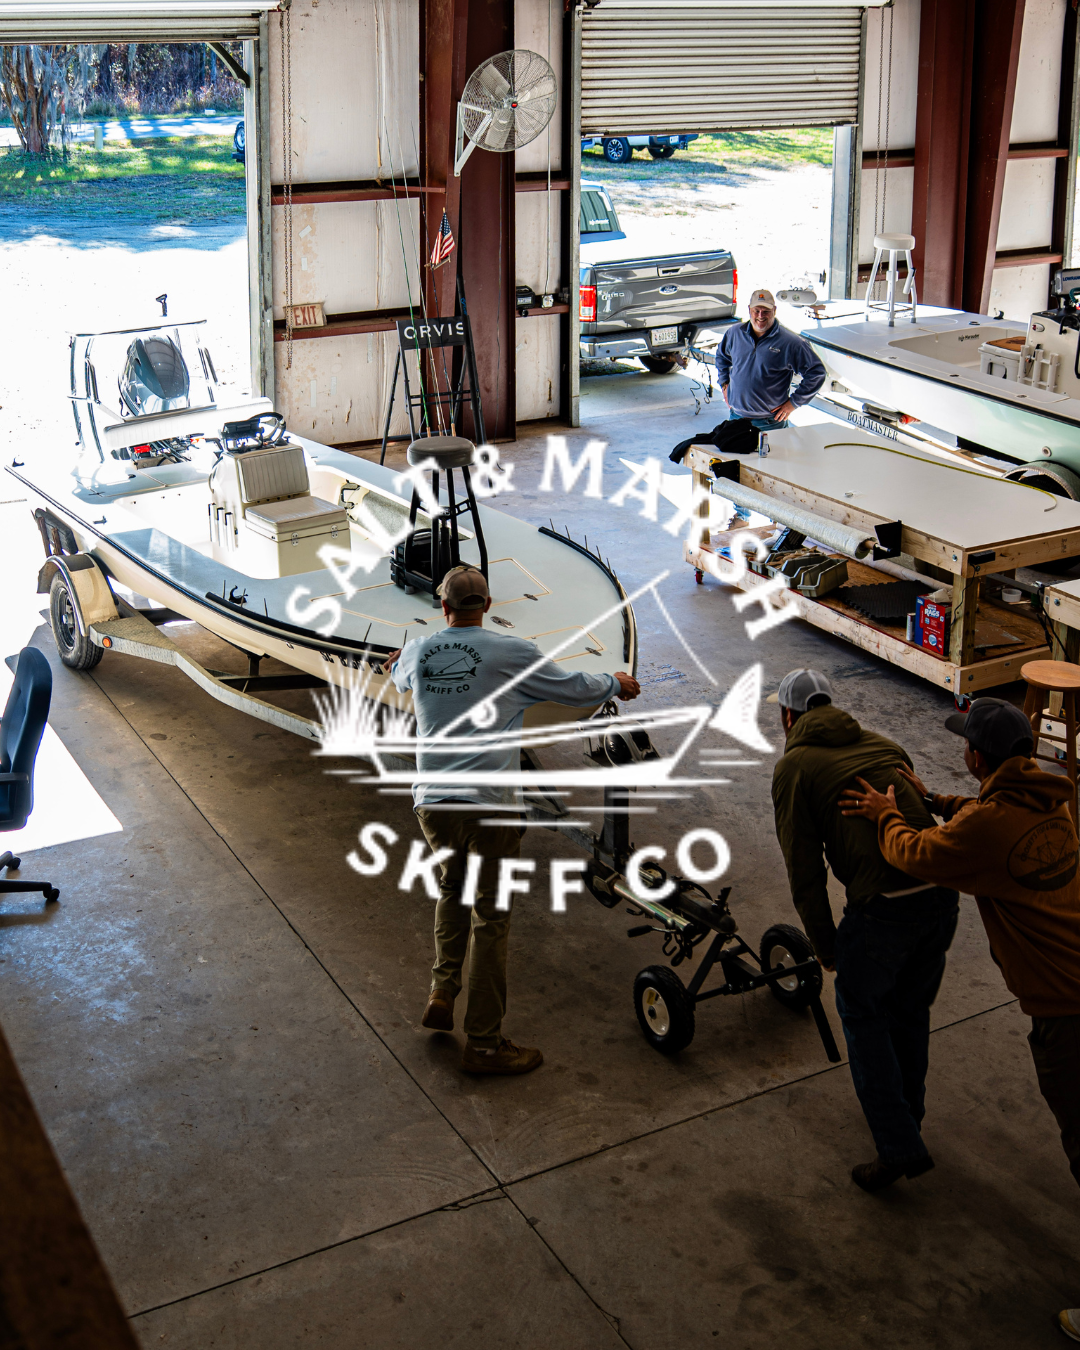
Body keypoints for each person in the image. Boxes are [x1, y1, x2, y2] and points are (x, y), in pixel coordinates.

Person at [838, 697, 1080, 1339]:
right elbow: (987, 818)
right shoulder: (1053, 800)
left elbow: (915, 854)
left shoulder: (988, 827)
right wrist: (937, 799)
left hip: (1067, 1010)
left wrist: (889, 813)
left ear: (976, 756)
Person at [388, 564, 640, 1076]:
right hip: (489, 805)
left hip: (432, 802)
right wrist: (613, 683)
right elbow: (573, 687)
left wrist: (399, 662)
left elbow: (396, 672)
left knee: (452, 888)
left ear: (443, 607)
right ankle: (483, 1045)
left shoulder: (418, 650)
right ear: (487, 605)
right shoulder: (513, 653)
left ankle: (442, 990)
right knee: (491, 918)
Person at [769, 668, 960, 1192]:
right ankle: (907, 1121)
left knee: (862, 1014)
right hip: (941, 898)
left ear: (788, 717)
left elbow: (804, 869)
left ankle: (897, 1146)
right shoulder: (886, 743)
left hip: (884, 912)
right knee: (909, 1012)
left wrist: (826, 945)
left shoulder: (794, 768)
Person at [715, 288, 826, 434]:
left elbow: (816, 373)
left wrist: (793, 403)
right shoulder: (734, 333)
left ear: (774, 310)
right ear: (749, 310)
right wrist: (724, 383)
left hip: (770, 423)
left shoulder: (790, 342)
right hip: (736, 417)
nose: (760, 315)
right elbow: (721, 357)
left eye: (766, 311)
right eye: (756, 310)